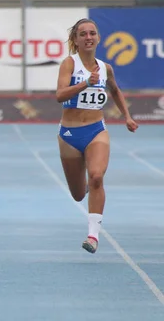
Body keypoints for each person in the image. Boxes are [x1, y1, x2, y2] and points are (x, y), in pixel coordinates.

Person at [56, 18, 138, 254]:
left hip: (96, 130)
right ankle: (90, 189)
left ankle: (93, 236)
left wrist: (127, 117)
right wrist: (84, 84)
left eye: (92, 33)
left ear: (98, 38)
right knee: (79, 194)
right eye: (83, 34)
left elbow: (115, 90)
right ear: (76, 40)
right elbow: (60, 95)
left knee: (97, 176)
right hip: (70, 134)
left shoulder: (105, 68)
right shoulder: (69, 64)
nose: (88, 37)